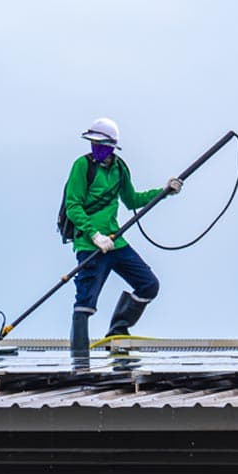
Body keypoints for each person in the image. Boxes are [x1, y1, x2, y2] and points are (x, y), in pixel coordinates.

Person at [64, 117, 182, 356]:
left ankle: (117, 330)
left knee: (148, 284)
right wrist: (94, 235)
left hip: (115, 241)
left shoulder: (119, 168)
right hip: (90, 244)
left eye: (101, 145)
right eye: (93, 144)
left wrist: (164, 192)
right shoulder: (82, 166)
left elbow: (132, 200)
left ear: (111, 147)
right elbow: (72, 205)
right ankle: (79, 363)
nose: (96, 149)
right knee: (85, 302)